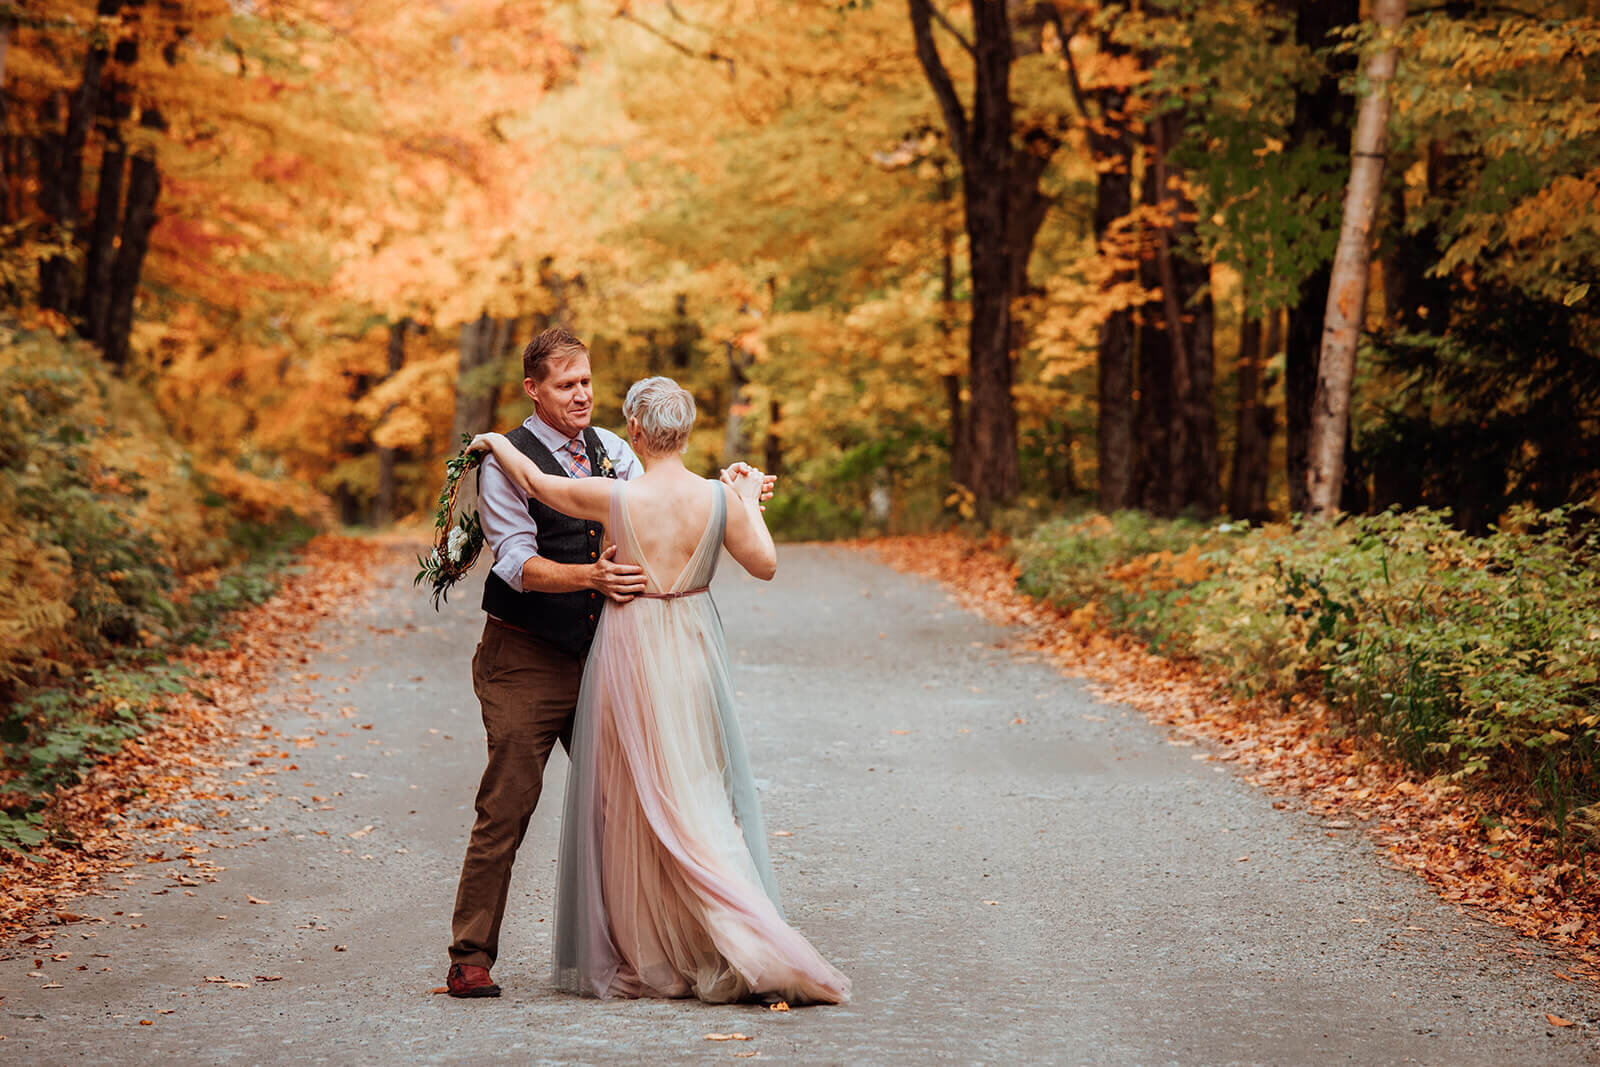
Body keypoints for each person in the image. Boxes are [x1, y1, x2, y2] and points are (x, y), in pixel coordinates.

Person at [468, 376, 850, 1005]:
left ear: (636, 433)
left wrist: (490, 441)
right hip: (694, 649)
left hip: (632, 646)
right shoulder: (717, 498)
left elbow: (535, 484)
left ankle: (659, 947)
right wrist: (746, 496)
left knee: (637, 800)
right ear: (689, 430)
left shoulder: (616, 497)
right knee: (693, 791)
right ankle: (724, 933)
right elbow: (766, 564)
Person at [444, 328, 768, 999]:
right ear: (534, 389)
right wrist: (590, 576)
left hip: (608, 653)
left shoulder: (614, 451)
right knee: (508, 801)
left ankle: (654, 947)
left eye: (587, 381)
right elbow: (515, 563)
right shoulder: (506, 462)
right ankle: (470, 955)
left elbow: (658, 509)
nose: (583, 394)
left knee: (632, 803)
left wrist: (733, 501)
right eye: (566, 384)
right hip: (525, 656)